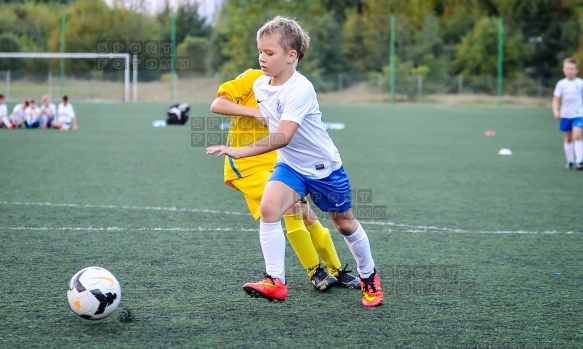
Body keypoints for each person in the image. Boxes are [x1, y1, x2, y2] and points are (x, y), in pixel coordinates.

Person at [207, 16, 384, 307]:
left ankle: (369, 277)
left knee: (344, 224)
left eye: (269, 53)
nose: (262, 58)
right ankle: (275, 281)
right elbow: (224, 104)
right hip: (290, 168)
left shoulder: (300, 89)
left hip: (323, 169)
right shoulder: (260, 85)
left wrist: (239, 151)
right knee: (270, 207)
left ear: (292, 56)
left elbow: (283, 137)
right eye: (260, 52)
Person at [210, 68, 360, 292]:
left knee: (307, 215)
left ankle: (337, 271)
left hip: (277, 164)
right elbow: (217, 104)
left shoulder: (292, 88)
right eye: (264, 51)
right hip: (246, 167)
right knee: (292, 208)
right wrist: (254, 113)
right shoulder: (253, 78)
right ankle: (315, 272)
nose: (265, 58)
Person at [552, 57, 583, 170]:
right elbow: (556, 99)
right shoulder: (561, 84)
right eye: (567, 68)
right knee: (568, 138)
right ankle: (570, 161)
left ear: (577, 70)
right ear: (564, 70)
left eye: (572, 68)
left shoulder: (580, 83)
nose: (570, 71)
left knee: (577, 135)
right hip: (565, 115)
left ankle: (580, 161)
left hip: (578, 114)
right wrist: (556, 111)